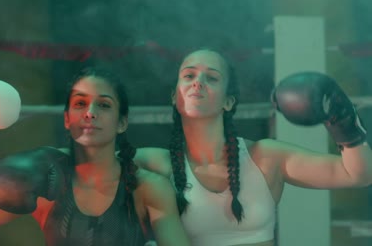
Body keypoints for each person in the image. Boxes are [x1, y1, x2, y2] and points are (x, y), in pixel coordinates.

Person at [133, 49, 372, 246]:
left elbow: (358, 174)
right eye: (188, 76)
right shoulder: (154, 164)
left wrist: (343, 120)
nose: (198, 83)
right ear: (175, 96)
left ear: (228, 102)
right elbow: (98, 167)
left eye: (212, 78)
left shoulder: (265, 157)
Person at [0, 67, 190, 246]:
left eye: (104, 105)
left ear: (122, 123)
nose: (90, 113)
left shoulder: (146, 187)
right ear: (67, 119)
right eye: (80, 103)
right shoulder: (48, 179)